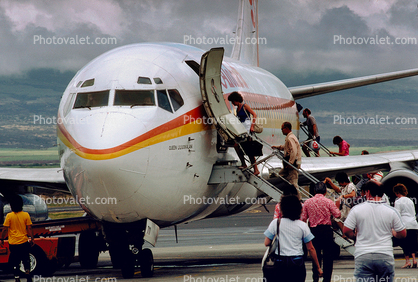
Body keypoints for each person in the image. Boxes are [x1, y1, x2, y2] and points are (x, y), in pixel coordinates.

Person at [343, 181, 406, 282]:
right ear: (382, 193)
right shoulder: (391, 211)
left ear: (367, 192)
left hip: (363, 254)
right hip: (384, 254)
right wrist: (393, 233)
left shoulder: (356, 210)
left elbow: (346, 230)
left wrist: (355, 236)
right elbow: (402, 233)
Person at [264, 195, 323, 282]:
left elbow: (266, 243)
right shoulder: (302, 226)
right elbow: (311, 248)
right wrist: (318, 267)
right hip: (297, 262)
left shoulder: (276, 223)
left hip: (280, 262)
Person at [301, 182, 341, 282]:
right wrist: (337, 205)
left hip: (314, 231)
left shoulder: (307, 202)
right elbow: (338, 215)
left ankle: (316, 276)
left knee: (315, 256)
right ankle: (327, 279)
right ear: (325, 191)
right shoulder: (328, 202)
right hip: (326, 231)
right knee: (328, 257)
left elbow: (303, 218)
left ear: (314, 191)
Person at [1, 195, 34, 282]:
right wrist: (31, 238)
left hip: (13, 243)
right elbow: (29, 228)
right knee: (25, 258)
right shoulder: (26, 215)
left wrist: (1, 238)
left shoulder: (9, 216)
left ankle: (17, 277)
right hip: (23, 241)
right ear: (21, 205)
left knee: (15, 260)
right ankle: (27, 271)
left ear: (11, 206)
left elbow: (5, 229)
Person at [227, 92, 260, 175]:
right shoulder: (237, 108)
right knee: (236, 145)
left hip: (247, 128)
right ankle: (244, 163)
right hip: (241, 129)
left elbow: (254, 114)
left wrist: (252, 126)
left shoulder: (244, 106)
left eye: (233, 101)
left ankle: (256, 169)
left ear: (236, 100)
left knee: (249, 149)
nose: (232, 103)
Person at [393, 183, 418, 268]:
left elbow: (397, 214)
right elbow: (414, 213)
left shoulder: (398, 201)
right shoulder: (410, 201)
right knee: (413, 242)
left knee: (405, 243)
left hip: (405, 224)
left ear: (397, 192)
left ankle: (408, 261)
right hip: (413, 224)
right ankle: (414, 260)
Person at [272, 122, 302, 188]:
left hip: (293, 163)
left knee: (293, 181)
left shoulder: (290, 138)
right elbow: (286, 147)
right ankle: (287, 189)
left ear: (286, 128)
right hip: (291, 162)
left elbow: (293, 150)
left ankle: (296, 197)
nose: (282, 131)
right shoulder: (291, 137)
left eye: (282, 129)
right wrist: (277, 147)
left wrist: (291, 163)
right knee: (281, 174)